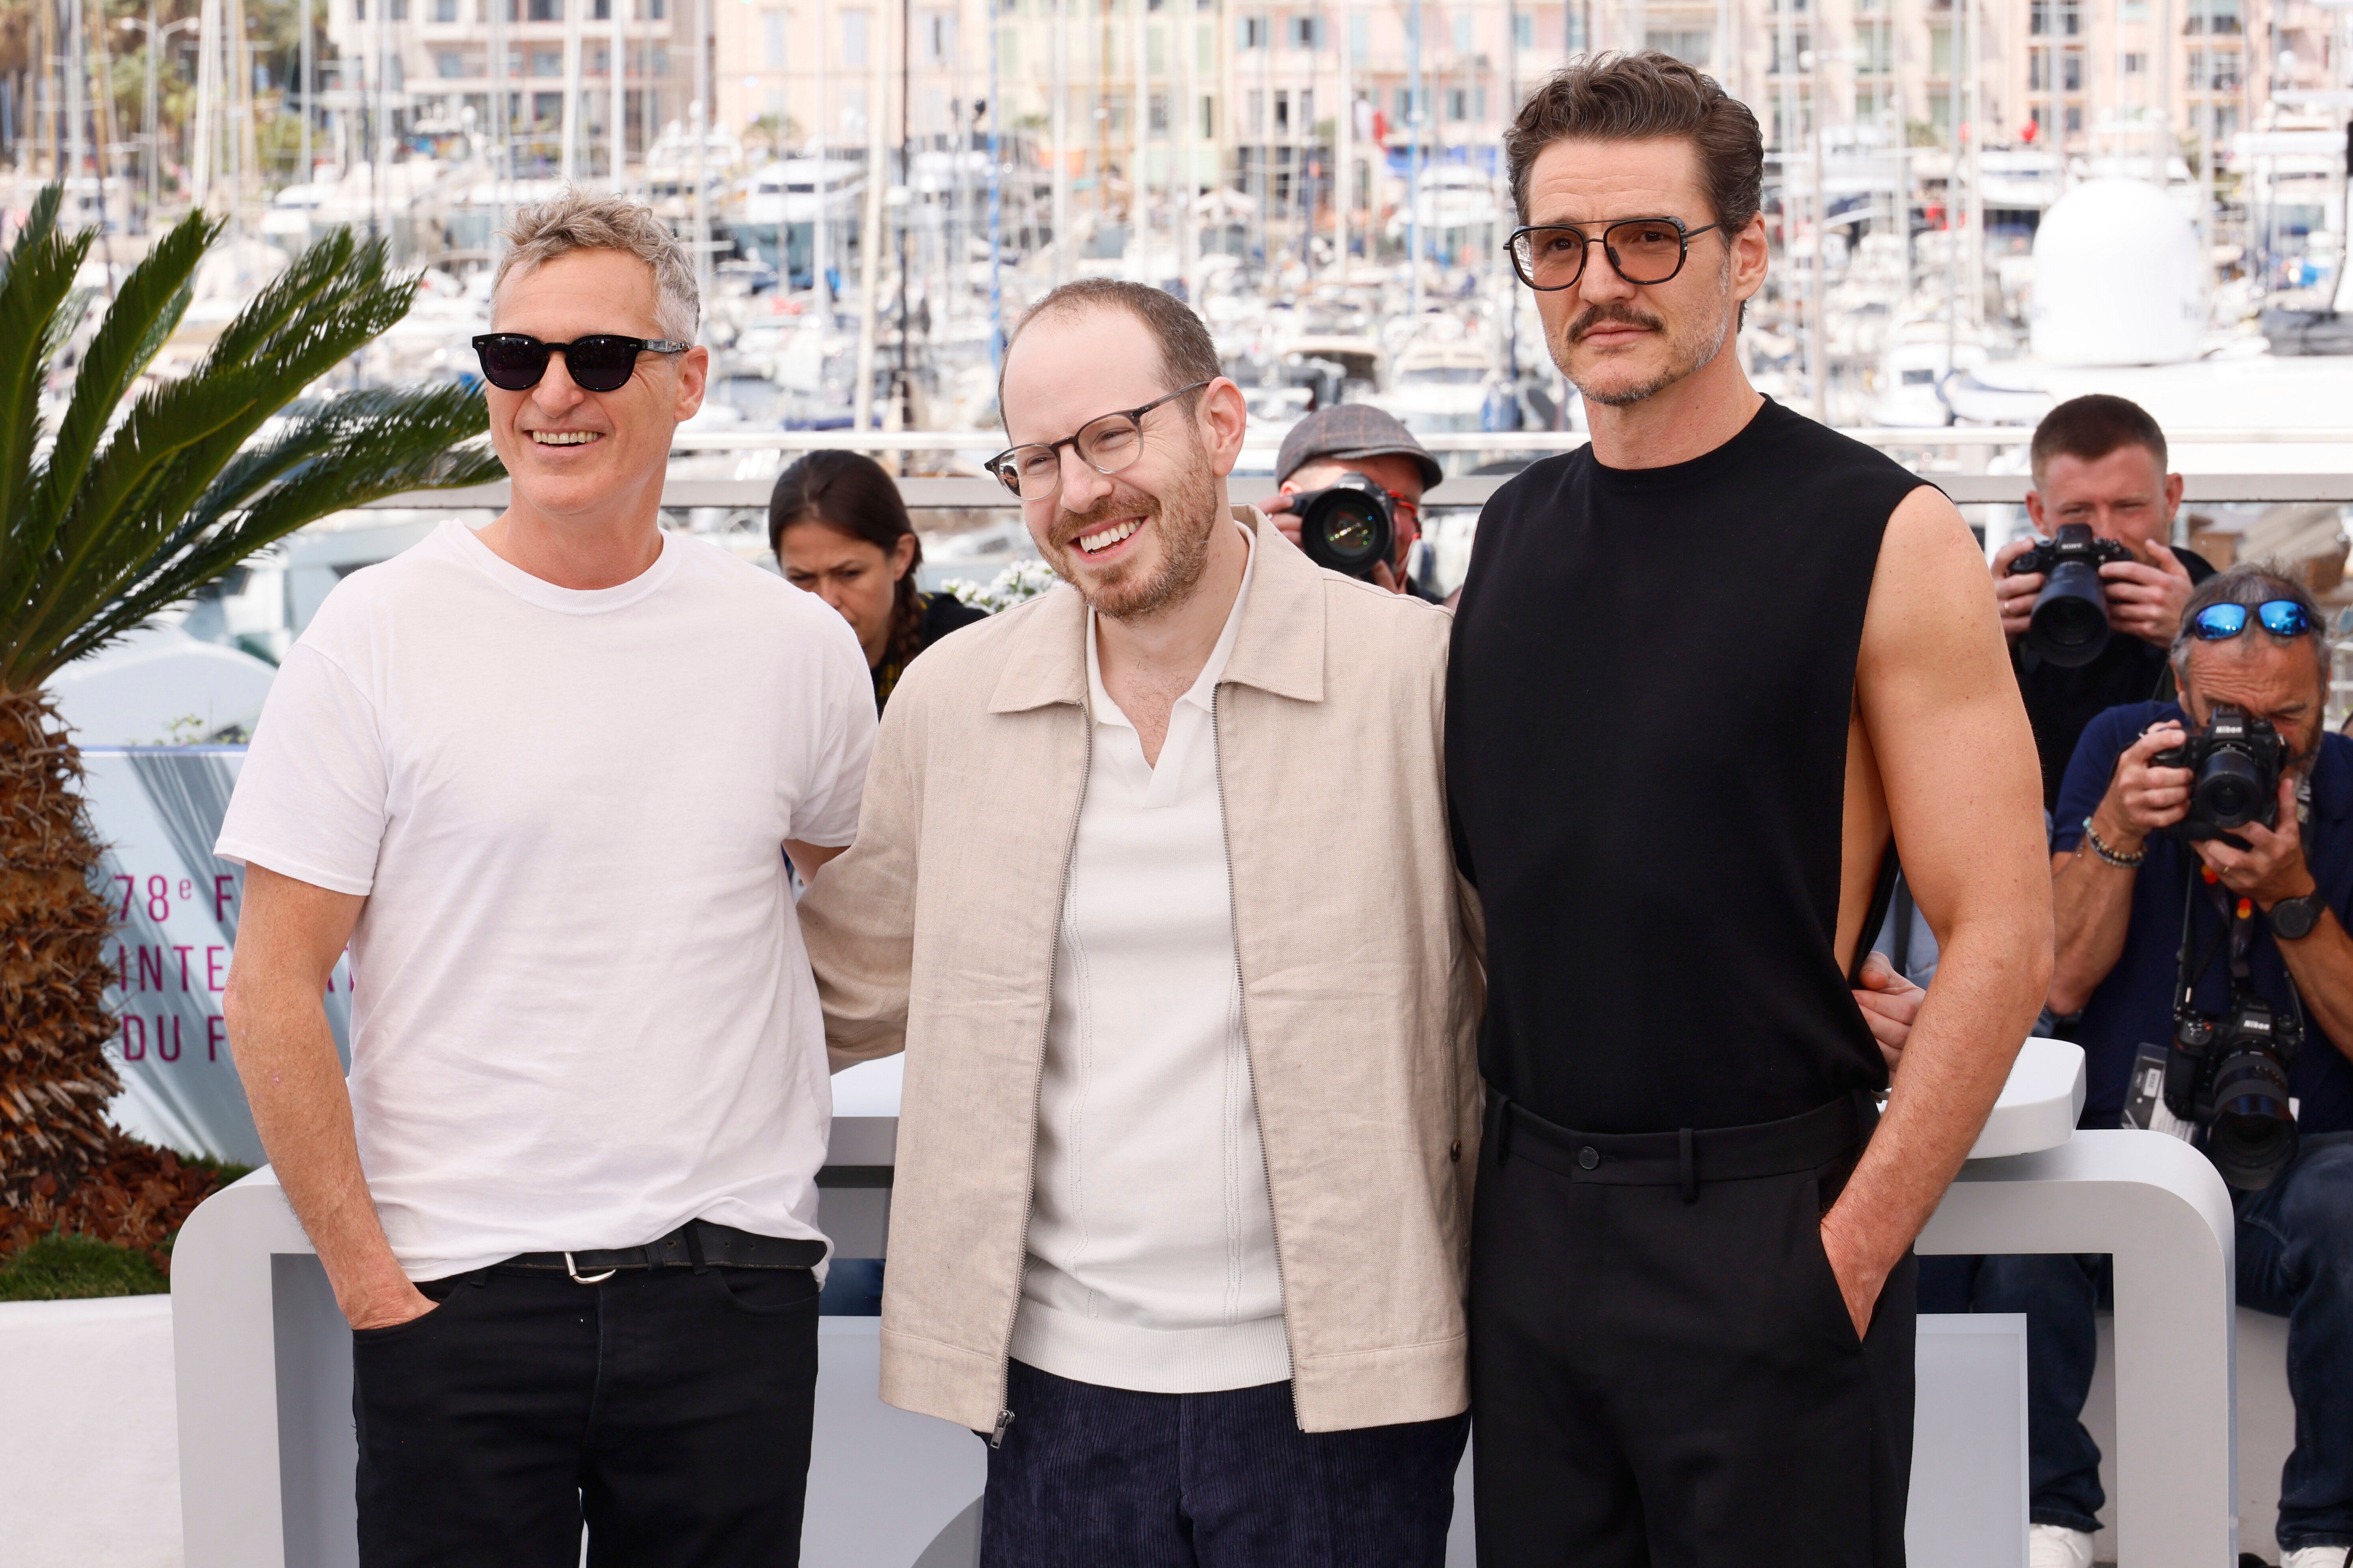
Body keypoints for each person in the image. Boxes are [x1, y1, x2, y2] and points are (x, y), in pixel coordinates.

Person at [1447, 52, 2052, 1566]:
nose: (1600, 282)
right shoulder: (1509, 532)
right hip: (1525, 1236)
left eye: (1648, 238)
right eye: (1559, 245)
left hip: (1766, 1227)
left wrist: (1846, 1254)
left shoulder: (1883, 534)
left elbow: (2001, 931)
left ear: (1747, 255)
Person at [216, 192, 876, 1568]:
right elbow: (272, 986)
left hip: (726, 1295)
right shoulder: (374, 633)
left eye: (600, 357)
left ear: (687, 381)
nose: (553, 393)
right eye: (516, 357)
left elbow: (847, 907)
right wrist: (371, 1285)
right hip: (458, 1305)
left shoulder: (794, 650)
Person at [796, 277, 1482, 1566]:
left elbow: (1544, 975)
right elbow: (832, 985)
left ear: (1219, 424)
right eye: (1038, 460)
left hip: (1346, 1393)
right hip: (1052, 1394)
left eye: (1113, 436)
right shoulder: (955, 701)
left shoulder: (1413, 673)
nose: (1079, 491)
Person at [1984, 565, 2353, 1568]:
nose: (2257, 741)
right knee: (2027, 1215)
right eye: (2227, 716)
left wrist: (2294, 895)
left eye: (2288, 718)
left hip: (2301, 1170)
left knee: (2351, 1204)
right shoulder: (2121, 748)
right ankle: (2048, 1520)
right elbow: (2059, 982)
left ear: (2327, 697)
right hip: (2129, 1160)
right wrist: (2115, 832)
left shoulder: (2349, 789)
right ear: (2179, 695)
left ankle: (2327, 1535)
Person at [1997, 394, 2216, 810]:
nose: (2105, 533)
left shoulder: (2219, 603)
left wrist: (2195, 634)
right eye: (2077, 512)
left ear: (2171, 497)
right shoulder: (2016, 601)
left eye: (2129, 507)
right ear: (2038, 513)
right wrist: (1981, 642)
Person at [770, 448, 988, 712]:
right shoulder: (765, 659)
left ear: (900, 556)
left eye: (849, 573)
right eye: (802, 578)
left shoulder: (968, 646)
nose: (827, 600)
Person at [1256, 402, 1445, 598]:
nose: (1391, 523)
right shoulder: (1248, 599)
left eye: (1403, 504)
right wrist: (1246, 567)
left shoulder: (1446, 616)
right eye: (1362, 501)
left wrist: (1404, 615)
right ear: (1291, 505)